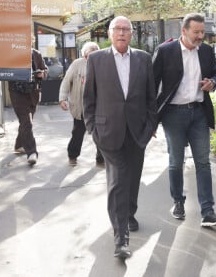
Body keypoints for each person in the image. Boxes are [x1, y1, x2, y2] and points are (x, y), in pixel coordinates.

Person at [83, 16, 157, 260]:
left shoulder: (143, 59)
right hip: (108, 132)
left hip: (137, 132)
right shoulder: (95, 59)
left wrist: (149, 127)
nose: (122, 33)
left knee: (132, 178)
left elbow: (150, 98)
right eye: (118, 29)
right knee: (117, 181)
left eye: (126, 29)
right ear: (109, 33)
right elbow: (89, 99)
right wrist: (93, 129)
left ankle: (128, 213)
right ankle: (121, 238)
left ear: (132, 33)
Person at [152, 12, 216, 227]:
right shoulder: (165, 51)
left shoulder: (206, 51)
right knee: (176, 162)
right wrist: (151, 119)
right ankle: (178, 201)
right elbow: (151, 83)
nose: (201, 36)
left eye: (203, 32)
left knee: (203, 162)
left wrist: (213, 82)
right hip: (173, 114)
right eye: (196, 32)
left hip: (199, 113)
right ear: (184, 31)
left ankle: (208, 211)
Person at [58, 41, 104, 166]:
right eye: (89, 55)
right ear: (84, 55)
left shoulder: (103, 64)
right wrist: (62, 99)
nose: (92, 57)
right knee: (77, 133)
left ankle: (101, 158)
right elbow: (66, 81)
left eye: (95, 54)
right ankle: (72, 155)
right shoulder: (77, 64)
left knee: (100, 133)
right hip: (80, 107)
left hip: (98, 106)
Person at [8, 44, 48, 166]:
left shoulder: (36, 54)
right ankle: (32, 152)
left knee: (25, 123)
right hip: (17, 93)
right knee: (26, 122)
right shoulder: (11, 53)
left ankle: (19, 145)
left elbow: (45, 70)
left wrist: (42, 73)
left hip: (33, 93)